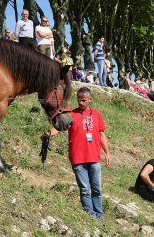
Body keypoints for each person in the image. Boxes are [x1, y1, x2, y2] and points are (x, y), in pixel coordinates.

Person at [45, 87, 111, 219]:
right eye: (78, 100)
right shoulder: (72, 115)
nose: (80, 103)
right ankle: (90, 216)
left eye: (84, 100)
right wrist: (47, 134)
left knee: (97, 189)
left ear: (90, 100)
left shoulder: (97, 115)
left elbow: (102, 135)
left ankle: (99, 215)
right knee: (85, 190)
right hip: (78, 159)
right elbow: (60, 128)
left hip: (95, 158)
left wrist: (107, 153)